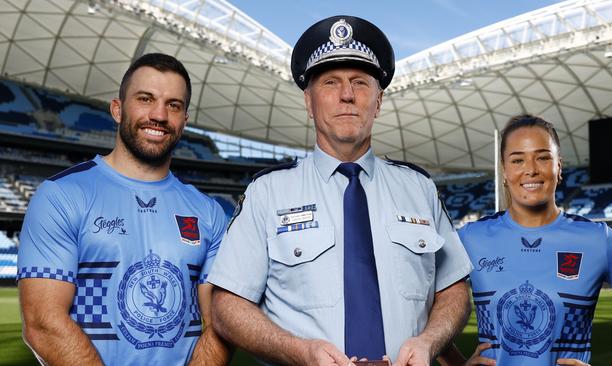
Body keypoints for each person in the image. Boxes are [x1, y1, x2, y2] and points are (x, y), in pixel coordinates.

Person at [208, 15, 473, 366]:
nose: (347, 95)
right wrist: (300, 352)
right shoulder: (267, 193)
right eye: (331, 83)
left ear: (378, 103)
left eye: (360, 83)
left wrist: (429, 341)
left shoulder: (419, 189)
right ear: (308, 102)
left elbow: (454, 289)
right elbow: (227, 306)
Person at [17, 53, 230, 366]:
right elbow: (43, 323)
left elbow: (219, 325)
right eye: (145, 99)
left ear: (184, 120)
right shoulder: (62, 194)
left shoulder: (209, 212)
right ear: (117, 109)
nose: (159, 114)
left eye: (173, 105)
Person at [439, 115, 612, 366]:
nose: (531, 169)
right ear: (504, 171)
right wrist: (456, 363)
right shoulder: (470, 238)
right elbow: (420, 307)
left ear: (558, 167)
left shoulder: (597, 239)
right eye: (518, 159)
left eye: (543, 157)